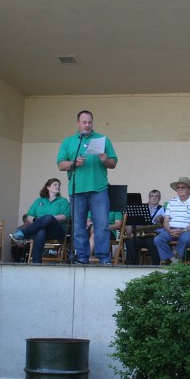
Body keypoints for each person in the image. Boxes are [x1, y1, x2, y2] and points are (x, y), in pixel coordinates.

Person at [57, 110, 118, 265]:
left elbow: (113, 163)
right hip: (77, 190)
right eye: (84, 122)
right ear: (78, 123)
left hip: (99, 189)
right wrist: (74, 163)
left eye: (90, 122)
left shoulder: (102, 139)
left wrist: (105, 160)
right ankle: (81, 258)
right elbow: (60, 165)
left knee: (102, 225)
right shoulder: (69, 141)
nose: (87, 125)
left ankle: (104, 258)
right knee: (78, 226)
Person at [10, 178, 71, 264]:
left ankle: (23, 233)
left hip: (57, 231)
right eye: (55, 184)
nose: (58, 187)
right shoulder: (39, 201)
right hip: (40, 230)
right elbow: (29, 216)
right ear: (48, 187)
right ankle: (36, 263)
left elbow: (65, 216)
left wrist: (49, 219)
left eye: (59, 185)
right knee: (42, 230)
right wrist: (38, 220)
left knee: (49, 217)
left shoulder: (63, 201)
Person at [153, 177, 190, 264]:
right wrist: (169, 230)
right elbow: (166, 220)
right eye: (178, 187)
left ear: (189, 189)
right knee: (157, 239)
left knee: (186, 239)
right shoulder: (171, 202)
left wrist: (182, 230)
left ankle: (171, 257)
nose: (179, 189)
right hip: (171, 229)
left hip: (187, 230)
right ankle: (173, 258)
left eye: (182, 187)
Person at [126, 189, 166, 265]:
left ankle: (155, 266)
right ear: (149, 198)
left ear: (160, 198)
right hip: (141, 235)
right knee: (131, 242)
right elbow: (133, 219)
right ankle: (132, 266)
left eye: (156, 196)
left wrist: (161, 218)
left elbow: (164, 222)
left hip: (153, 235)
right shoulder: (143, 208)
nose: (154, 198)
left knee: (152, 243)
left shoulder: (162, 209)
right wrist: (130, 224)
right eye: (152, 196)